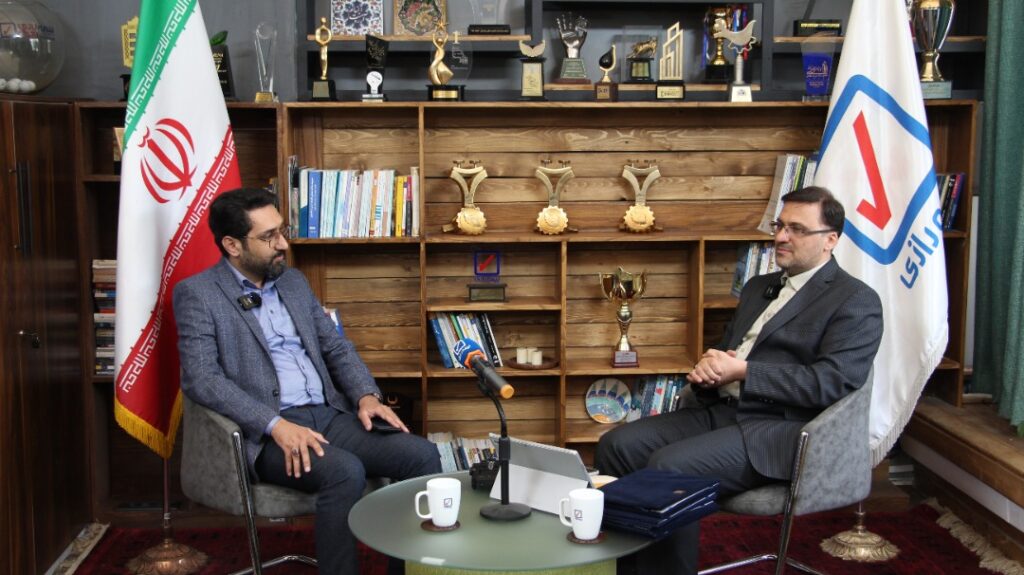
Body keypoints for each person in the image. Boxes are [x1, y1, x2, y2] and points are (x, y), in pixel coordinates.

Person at [595, 186, 883, 575]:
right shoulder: (758, 288)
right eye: (779, 226)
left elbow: (831, 383)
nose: (781, 237)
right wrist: (710, 370)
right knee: (617, 446)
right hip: (721, 410)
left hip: (781, 430)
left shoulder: (855, 300)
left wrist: (744, 372)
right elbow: (732, 350)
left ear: (830, 239)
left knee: (670, 467)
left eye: (797, 229)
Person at [174, 187, 441, 574]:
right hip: (268, 433)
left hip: (329, 415)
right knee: (344, 471)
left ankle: (408, 572)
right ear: (232, 245)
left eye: (281, 231)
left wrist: (366, 396)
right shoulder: (198, 294)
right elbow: (202, 378)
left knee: (422, 456)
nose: (283, 244)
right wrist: (275, 424)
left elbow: (336, 347)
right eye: (269, 237)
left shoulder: (293, 283)